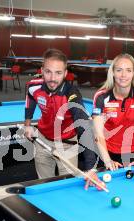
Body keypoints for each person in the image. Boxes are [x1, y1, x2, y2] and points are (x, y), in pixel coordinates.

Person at [24, 48, 100, 189]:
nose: (52, 78)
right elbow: (29, 98)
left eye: (58, 73)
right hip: (42, 140)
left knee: (68, 186)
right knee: (43, 185)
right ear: (42, 70)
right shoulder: (33, 86)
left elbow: (83, 127)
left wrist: (91, 168)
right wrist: (27, 123)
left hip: (67, 144)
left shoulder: (72, 94)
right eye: (48, 72)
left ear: (65, 73)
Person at [92, 53, 134, 172]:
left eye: (128, 70)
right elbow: (98, 133)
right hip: (107, 152)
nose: (123, 75)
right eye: (119, 70)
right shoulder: (101, 96)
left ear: (133, 73)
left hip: (133, 153)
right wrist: (107, 160)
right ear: (113, 72)